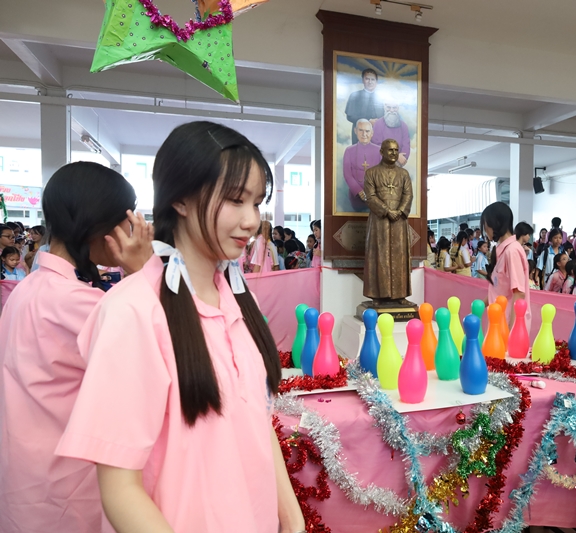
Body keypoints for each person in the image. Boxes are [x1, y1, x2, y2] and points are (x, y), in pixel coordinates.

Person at [55, 122, 305, 533]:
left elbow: (258, 421)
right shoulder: (133, 310)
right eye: (235, 199)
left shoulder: (241, 301)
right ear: (181, 200)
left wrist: (293, 521)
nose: (251, 220)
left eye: (257, 202)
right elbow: (119, 488)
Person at [0, 162, 153, 533]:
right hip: (66, 488)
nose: (131, 232)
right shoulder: (77, 303)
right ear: (98, 226)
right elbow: (158, 354)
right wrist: (144, 270)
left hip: (26, 478)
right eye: (126, 221)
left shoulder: (28, 289)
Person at [362, 139, 413, 302]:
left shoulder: (403, 174)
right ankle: (378, 294)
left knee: (400, 256)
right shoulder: (371, 173)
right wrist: (386, 211)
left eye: (396, 150)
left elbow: (408, 195)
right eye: (390, 150)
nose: (394, 153)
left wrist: (400, 211)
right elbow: (370, 196)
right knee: (379, 255)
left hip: (399, 221)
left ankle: (400, 294)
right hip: (379, 221)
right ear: (381, 152)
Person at [481, 201, 531, 331]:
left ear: (495, 223)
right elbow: (499, 290)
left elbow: (519, 293)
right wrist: (479, 308)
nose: (485, 230)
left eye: (485, 226)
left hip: (507, 325)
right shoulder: (503, 250)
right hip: (498, 322)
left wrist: (511, 330)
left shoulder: (512, 251)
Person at [342, 119, 382, 211]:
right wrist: (359, 191)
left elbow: (382, 174)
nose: (364, 134)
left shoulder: (379, 151)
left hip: (376, 196)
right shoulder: (349, 151)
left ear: (372, 133)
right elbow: (347, 175)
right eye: (361, 130)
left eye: (367, 131)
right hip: (356, 197)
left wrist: (373, 192)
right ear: (355, 131)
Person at [344, 68, 384, 144]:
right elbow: (350, 116)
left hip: (377, 136)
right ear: (363, 80)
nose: (370, 82)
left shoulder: (380, 98)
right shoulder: (354, 96)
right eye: (367, 79)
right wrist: (368, 121)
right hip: (360, 136)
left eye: (372, 79)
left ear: (376, 82)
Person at [371, 101, 411, 167]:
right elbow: (376, 146)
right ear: (384, 107)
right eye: (388, 107)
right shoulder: (378, 124)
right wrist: (396, 156)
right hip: (381, 164)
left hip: (398, 165)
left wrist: (400, 159)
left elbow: (406, 147)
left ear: (398, 108)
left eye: (394, 107)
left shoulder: (404, 126)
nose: (391, 110)